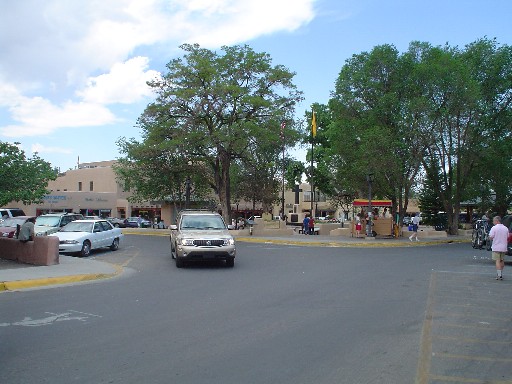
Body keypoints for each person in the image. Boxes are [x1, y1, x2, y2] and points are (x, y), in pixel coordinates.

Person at [488, 216, 509, 280]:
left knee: (497, 260)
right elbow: (508, 236)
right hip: (504, 246)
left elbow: (491, 237)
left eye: (494, 221)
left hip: (496, 246)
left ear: (497, 221)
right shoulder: (505, 228)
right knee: (502, 260)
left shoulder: (494, 228)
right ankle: (500, 273)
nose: (493, 222)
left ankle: (499, 275)